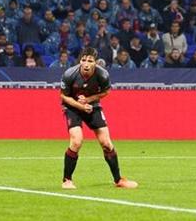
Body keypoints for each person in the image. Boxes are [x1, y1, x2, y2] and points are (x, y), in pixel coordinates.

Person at [59, 47, 137, 189]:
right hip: (72, 107)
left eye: (90, 61)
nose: (86, 64)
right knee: (76, 141)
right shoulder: (70, 74)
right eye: (83, 60)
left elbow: (106, 91)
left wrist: (89, 99)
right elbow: (63, 96)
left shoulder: (103, 75)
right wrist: (81, 106)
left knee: (106, 143)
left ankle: (119, 180)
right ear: (80, 61)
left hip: (92, 106)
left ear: (96, 62)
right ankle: (67, 180)